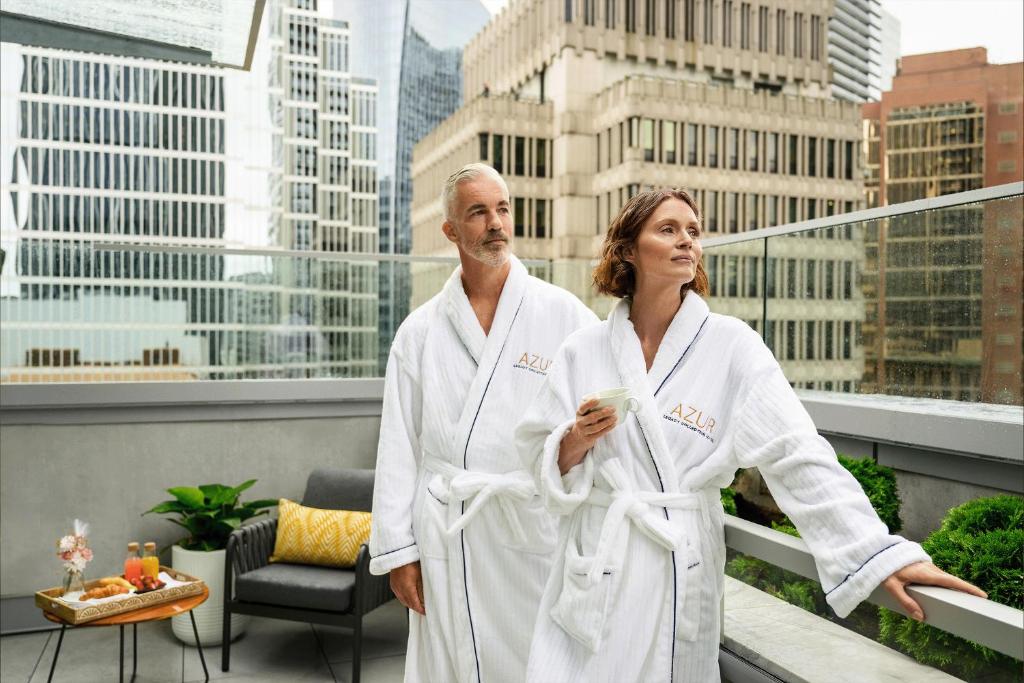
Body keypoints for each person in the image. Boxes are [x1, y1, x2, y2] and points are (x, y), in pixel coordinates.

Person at [515, 189, 986, 682]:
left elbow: (794, 452)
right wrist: (575, 437)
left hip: (677, 563)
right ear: (628, 249)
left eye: (693, 232)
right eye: (668, 229)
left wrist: (876, 553)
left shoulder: (732, 345)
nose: (686, 242)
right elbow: (534, 454)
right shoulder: (582, 348)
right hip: (596, 560)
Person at [369, 163, 598, 682]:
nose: (496, 223)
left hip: (529, 523)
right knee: (450, 661)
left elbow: (599, 413)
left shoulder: (563, 315)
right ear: (451, 230)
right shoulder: (419, 331)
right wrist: (399, 553)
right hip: (450, 531)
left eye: (502, 209)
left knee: (537, 661)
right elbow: (399, 446)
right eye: (478, 212)